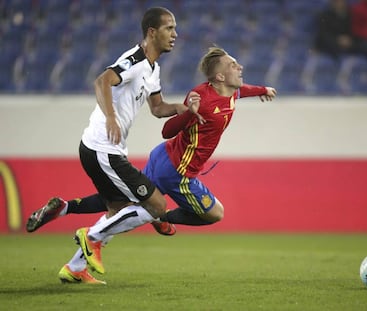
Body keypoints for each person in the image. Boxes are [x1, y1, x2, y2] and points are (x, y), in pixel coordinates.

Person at [27, 46, 276, 284]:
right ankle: (143, 223)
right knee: (212, 213)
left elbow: (242, 91)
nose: (240, 66)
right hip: (177, 172)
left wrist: (262, 89)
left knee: (123, 206)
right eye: (234, 65)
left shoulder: (230, 90)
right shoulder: (202, 99)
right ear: (220, 76)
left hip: (162, 158)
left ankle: (74, 261)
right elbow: (167, 130)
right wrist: (189, 113)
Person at [26, 6, 194, 284]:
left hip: (102, 149)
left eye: (175, 28)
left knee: (119, 210)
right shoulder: (135, 59)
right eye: (169, 28)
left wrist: (184, 109)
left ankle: (74, 261)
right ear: (152, 32)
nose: (175, 34)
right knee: (156, 206)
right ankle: (91, 237)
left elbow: (158, 108)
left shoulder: (153, 69)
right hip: (102, 147)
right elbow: (101, 81)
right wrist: (112, 118)